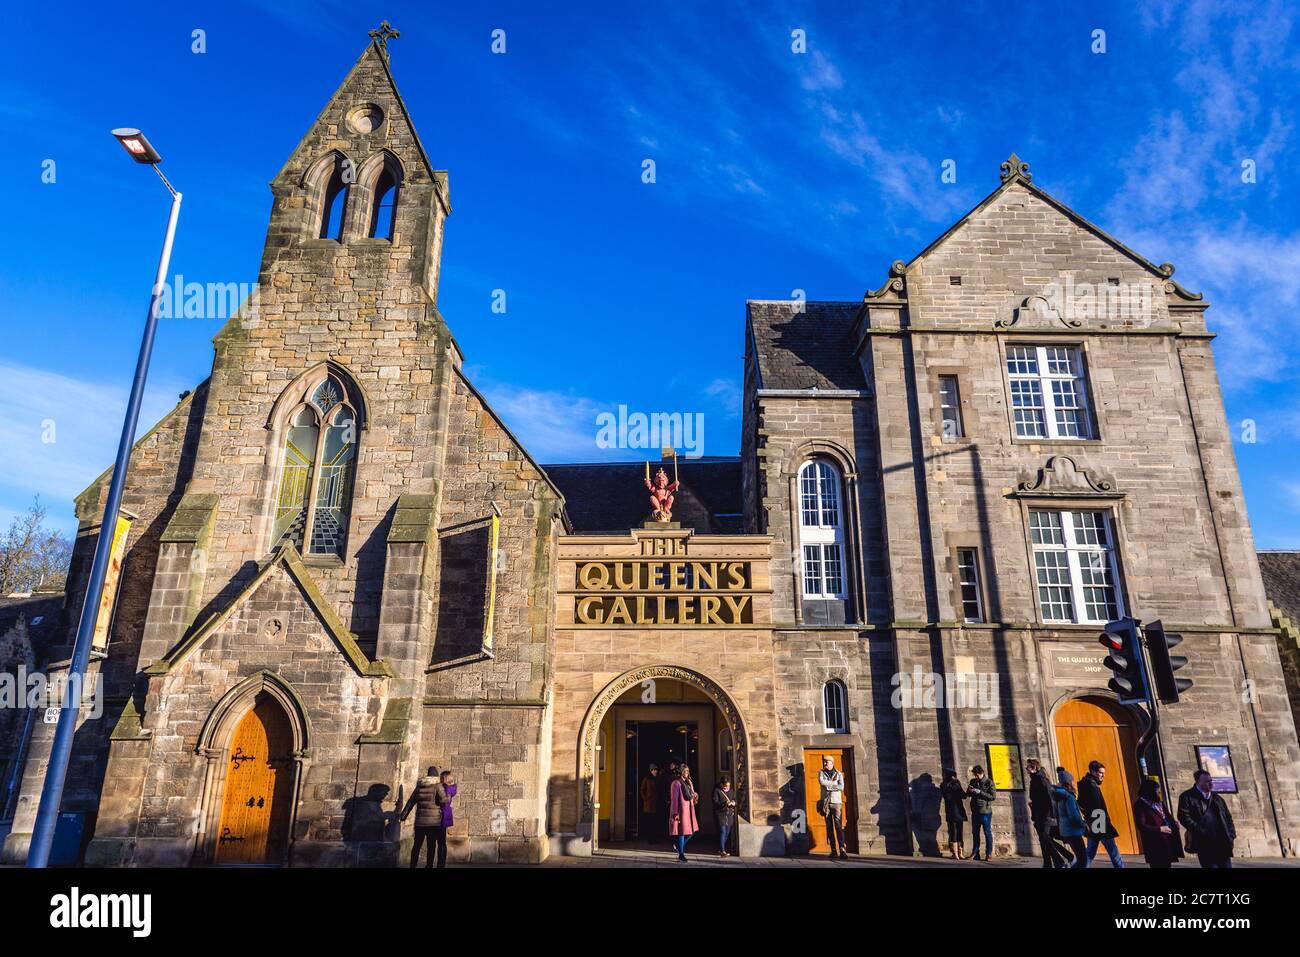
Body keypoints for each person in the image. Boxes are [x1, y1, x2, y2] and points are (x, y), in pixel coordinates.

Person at [1178, 769, 1236, 868]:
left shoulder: (1217, 798)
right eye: (1207, 781)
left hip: (1222, 842)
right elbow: (1183, 817)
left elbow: (1228, 817)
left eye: (1211, 781)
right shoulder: (1187, 797)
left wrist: (1231, 834)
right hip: (1204, 843)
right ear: (1198, 782)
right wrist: (1201, 831)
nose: (1211, 783)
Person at [400, 765, 448, 868]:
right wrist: (448, 797)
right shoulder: (438, 786)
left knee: (416, 845)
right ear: (436, 775)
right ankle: (429, 865)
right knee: (431, 846)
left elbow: (410, 802)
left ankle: (413, 865)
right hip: (433, 823)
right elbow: (443, 800)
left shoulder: (419, 786)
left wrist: (403, 815)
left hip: (419, 823)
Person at [1078, 761, 1124, 868]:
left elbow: (1081, 804)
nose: (1103, 775)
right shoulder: (1092, 786)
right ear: (1093, 772)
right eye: (1100, 773)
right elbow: (1098, 807)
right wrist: (1104, 826)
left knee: (1089, 853)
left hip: (1094, 822)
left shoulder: (1085, 784)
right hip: (1100, 823)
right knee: (1113, 852)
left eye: (1104, 773)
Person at [1026, 758, 1065, 868]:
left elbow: (1049, 798)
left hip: (1044, 816)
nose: (1027, 770)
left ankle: (1060, 860)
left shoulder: (1041, 780)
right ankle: (1048, 862)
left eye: (1028, 768)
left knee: (1045, 839)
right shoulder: (1035, 779)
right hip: (1039, 814)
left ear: (1034, 768)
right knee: (1044, 840)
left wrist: (1046, 815)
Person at [1134, 778, 1182, 869]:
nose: (1159, 793)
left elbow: (1166, 815)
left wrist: (1173, 822)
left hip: (1166, 840)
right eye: (1157, 791)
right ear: (1150, 791)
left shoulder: (1159, 802)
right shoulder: (1140, 804)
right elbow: (1141, 825)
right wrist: (1159, 829)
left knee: (1167, 864)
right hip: (1154, 843)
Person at [1050, 768, 1088, 868]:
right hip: (1073, 831)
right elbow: (1074, 816)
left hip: (1065, 830)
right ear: (1069, 783)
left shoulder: (1058, 796)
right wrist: (1083, 824)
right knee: (1082, 860)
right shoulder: (1068, 797)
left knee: (1080, 860)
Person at [818, 755, 849, 859]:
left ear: (832, 763)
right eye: (824, 762)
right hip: (826, 803)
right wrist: (834, 784)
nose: (825, 764)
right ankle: (833, 850)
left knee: (838, 826)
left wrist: (829, 786)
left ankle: (842, 849)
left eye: (827, 762)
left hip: (836, 803)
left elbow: (841, 787)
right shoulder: (821, 773)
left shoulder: (839, 773)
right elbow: (822, 782)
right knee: (829, 827)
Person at [669, 763, 699, 861]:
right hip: (681, 810)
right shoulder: (676, 783)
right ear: (681, 772)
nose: (687, 773)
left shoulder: (689, 782)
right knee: (682, 832)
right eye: (685, 771)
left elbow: (691, 794)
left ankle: (678, 846)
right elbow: (674, 799)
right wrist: (675, 813)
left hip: (690, 810)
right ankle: (681, 854)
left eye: (688, 771)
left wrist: (695, 796)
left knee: (692, 832)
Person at [966, 765, 996, 861]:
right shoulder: (973, 781)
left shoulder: (989, 782)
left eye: (977, 775)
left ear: (982, 773)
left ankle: (989, 854)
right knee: (975, 832)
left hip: (985, 811)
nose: (975, 777)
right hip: (975, 811)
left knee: (987, 832)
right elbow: (968, 794)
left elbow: (992, 797)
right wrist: (970, 790)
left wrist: (980, 792)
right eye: (974, 775)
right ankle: (975, 853)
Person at [939, 768, 967, 859]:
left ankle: (955, 853)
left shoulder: (943, 785)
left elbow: (946, 797)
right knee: (959, 832)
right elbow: (964, 795)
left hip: (950, 811)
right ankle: (960, 853)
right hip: (958, 810)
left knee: (953, 832)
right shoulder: (956, 784)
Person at [713, 776, 737, 857]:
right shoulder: (717, 791)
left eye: (728, 786)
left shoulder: (731, 791)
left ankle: (720, 848)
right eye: (726, 786)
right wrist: (724, 804)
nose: (727, 787)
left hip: (729, 814)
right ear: (722, 785)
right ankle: (723, 851)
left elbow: (734, 799)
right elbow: (715, 802)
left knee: (727, 832)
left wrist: (733, 803)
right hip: (721, 814)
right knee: (722, 832)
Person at [639, 764, 660, 839]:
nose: (655, 771)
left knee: (655, 821)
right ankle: (650, 838)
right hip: (649, 803)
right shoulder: (647, 778)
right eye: (654, 770)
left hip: (656, 803)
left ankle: (655, 837)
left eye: (656, 770)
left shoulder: (658, 778)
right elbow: (642, 789)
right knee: (650, 821)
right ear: (651, 771)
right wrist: (645, 798)